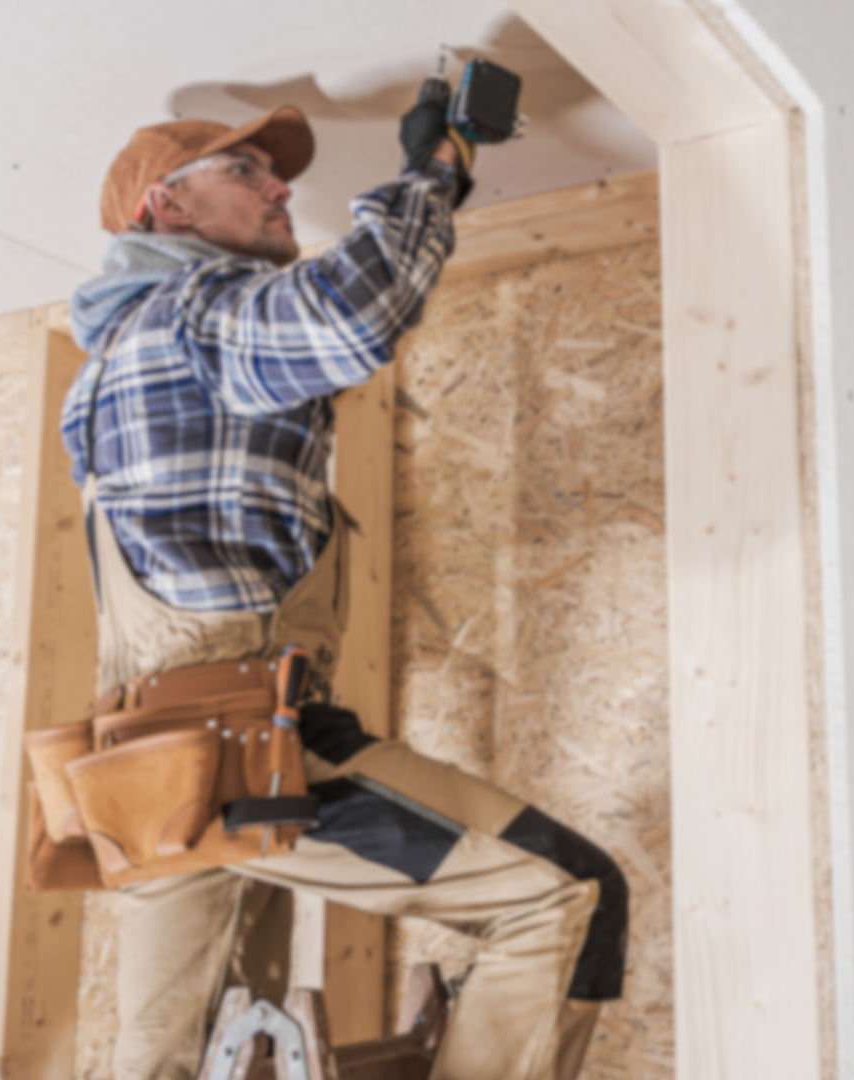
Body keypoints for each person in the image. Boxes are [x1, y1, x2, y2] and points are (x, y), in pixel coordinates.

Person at [59, 101, 626, 1080]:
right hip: (241, 750)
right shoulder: (196, 314)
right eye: (245, 172)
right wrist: (436, 167)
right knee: (564, 895)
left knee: (175, 1066)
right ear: (168, 207)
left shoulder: (105, 369)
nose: (281, 188)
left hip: (145, 779)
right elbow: (350, 313)